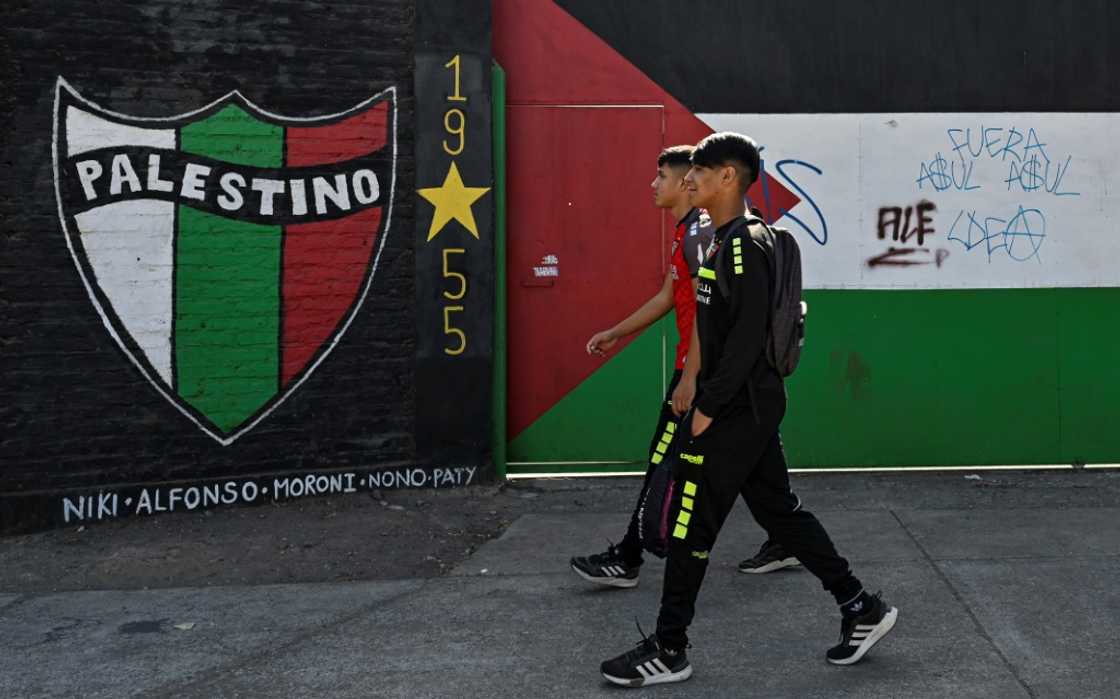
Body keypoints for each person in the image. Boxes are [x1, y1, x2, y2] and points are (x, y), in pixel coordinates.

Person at [600, 133, 898, 687]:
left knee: (691, 525)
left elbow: (743, 339)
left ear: (729, 178)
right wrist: (698, 383)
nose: (689, 180)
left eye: (701, 173)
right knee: (780, 512)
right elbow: (710, 333)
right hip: (742, 407)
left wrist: (708, 406)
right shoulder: (719, 241)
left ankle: (669, 648)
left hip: (739, 409)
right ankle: (861, 607)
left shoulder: (745, 246)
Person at [570, 146, 798, 589]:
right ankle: (788, 539)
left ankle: (629, 557)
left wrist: (691, 378)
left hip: (703, 374)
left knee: (664, 464)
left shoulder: (704, 234)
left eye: (663, 176)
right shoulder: (687, 233)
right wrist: (616, 332)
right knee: (762, 473)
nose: (655, 185)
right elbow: (665, 298)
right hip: (721, 379)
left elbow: (707, 315)